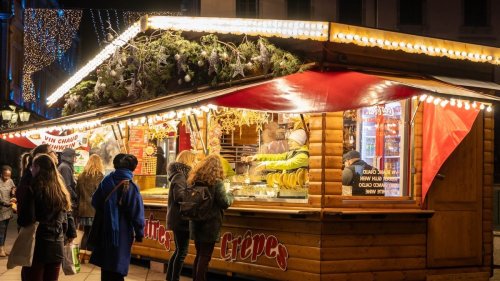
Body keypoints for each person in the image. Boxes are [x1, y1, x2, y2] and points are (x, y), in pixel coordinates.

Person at [18, 153, 77, 281]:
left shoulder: (33, 189)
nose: (31, 169)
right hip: (57, 245)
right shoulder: (61, 191)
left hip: (37, 246)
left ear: (38, 167)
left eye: (33, 166)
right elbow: (66, 218)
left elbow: (26, 219)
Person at [89, 154, 145, 281]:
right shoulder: (131, 186)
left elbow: (95, 201)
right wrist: (140, 233)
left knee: (107, 265)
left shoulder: (106, 181)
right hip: (123, 231)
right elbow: (136, 213)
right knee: (118, 264)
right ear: (133, 168)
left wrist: (109, 210)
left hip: (105, 228)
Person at [188, 155, 234, 281]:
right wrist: (231, 195)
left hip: (196, 222)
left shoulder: (194, 180)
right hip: (210, 224)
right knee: (205, 256)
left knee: (199, 254)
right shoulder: (217, 183)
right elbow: (224, 202)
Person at [165, 150, 196, 281]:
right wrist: (194, 194)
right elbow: (180, 196)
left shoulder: (180, 174)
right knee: (182, 252)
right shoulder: (180, 175)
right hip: (180, 218)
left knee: (179, 250)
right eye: (194, 160)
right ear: (188, 161)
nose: (196, 163)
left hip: (178, 218)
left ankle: (170, 277)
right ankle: (174, 278)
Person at [16, 144, 59, 227]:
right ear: (44, 156)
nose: (56, 154)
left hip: (50, 230)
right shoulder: (33, 178)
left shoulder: (50, 176)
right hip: (38, 230)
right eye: (53, 151)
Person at [75, 154, 105, 263]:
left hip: (83, 210)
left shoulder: (81, 176)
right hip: (94, 210)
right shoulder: (100, 176)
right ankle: (90, 257)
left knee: (86, 233)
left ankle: (82, 256)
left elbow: (77, 193)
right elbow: (101, 195)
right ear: (99, 164)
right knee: (93, 234)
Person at [0, 165, 16, 257]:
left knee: (5, 230)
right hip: (1, 210)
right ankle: (1, 249)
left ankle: (2, 248)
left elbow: (13, 188)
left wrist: (13, 194)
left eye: (9, 176)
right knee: (1, 230)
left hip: (8, 211)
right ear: (1, 174)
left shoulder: (10, 181)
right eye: (5, 175)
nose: (7, 178)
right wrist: (7, 204)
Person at [58, 148, 79, 212]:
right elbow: (67, 186)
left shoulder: (66, 166)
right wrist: (76, 196)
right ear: (69, 157)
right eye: (74, 156)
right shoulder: (65, 167)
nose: (75, 158)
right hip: (67, 200)